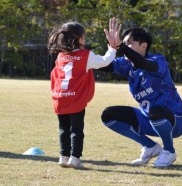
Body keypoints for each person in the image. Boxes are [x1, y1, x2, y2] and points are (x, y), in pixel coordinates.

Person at [100, 21, 182, 167]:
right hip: (148, 118)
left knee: (155, 112)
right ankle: (150, 147)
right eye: (124, 43)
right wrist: (80, 55)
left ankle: (169, 151)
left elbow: (145, 64)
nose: (125, 46)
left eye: (129, 43)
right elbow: (103, 64)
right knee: (108, 115)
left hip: (176, 120)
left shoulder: (157, 60)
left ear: (143, 46)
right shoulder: (126, 64)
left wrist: (121, 45)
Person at [48, 18, 121, 169]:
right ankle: (75, 158)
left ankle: (63, 156)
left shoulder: (61, 56)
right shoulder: (85, 55)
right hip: (76, 99)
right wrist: (113, 48)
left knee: (63, 129)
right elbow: (105, 61)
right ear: (79, 38)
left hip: (60, 98)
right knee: (76, 130)